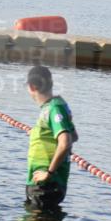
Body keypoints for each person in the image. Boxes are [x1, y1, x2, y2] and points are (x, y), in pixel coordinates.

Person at [25, 65, 77, 210]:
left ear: (32, 87)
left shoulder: (54, 108)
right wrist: (38, 133)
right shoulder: (54, 106)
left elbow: (65, 142)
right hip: (42, 184)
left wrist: (49, 173)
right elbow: (74, 136)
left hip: (46, 186)